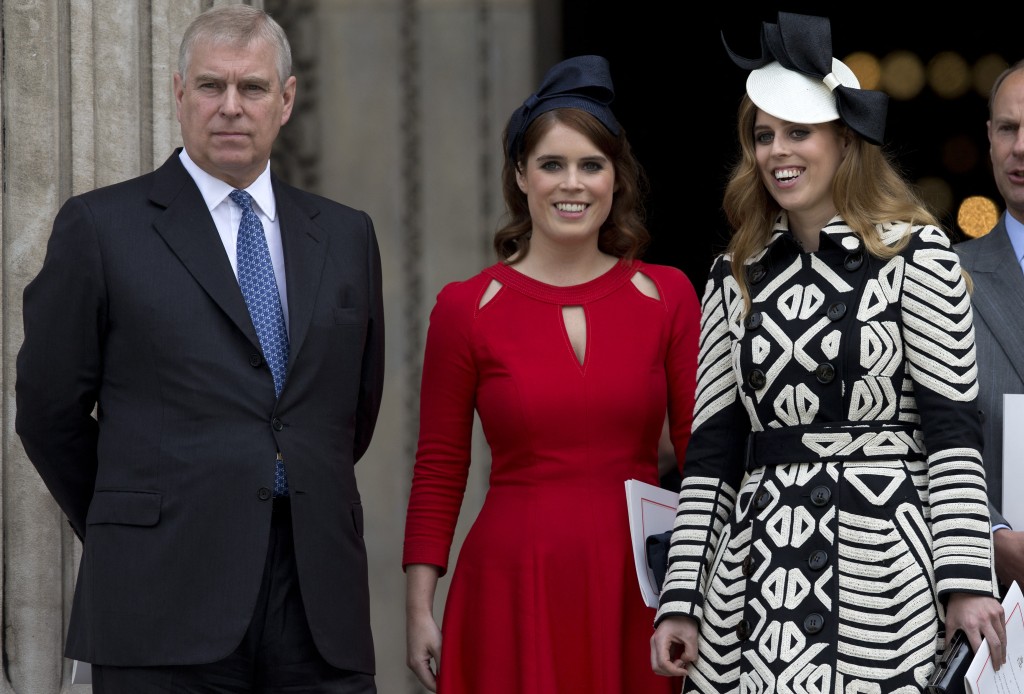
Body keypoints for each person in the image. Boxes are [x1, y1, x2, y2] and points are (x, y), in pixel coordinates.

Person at [14, 5, 384, 693]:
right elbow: (45, 408)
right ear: (179, 95)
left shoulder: (346, 237)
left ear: (287, 98)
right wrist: (136, 513)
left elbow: (350, 413)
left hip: (315, 600)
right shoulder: (101, 228)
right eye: (212, 87)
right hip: (160, 595)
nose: (231, 108)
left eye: (252, 88)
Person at [650, 12, 1007, 692]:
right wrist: (682, 600)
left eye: (798, 132)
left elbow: (954, 433)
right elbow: (714, 453)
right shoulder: (735, 272)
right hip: (756, 586)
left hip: (882, 583)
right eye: (763, 135)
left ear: (845, 141)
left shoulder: (917, 255)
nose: (777, 151)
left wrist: (965, 580)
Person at [402, 55, 700, 694]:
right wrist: (419, 606)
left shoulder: (669, 295)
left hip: (638, 585)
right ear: (520, 174)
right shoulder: (465, 306)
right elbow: (439, 464)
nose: (574, 184)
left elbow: (705, 457)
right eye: (552, 164)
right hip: (510, 583)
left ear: (616, 179)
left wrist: (703, 591)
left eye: (592, 165)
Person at [956, 59, 1024, 596]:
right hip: (998, 602)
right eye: (1008, 128)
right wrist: (992, 533)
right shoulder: (945, 276)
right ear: (990, 137)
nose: (1020, 147)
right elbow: (918, 437)